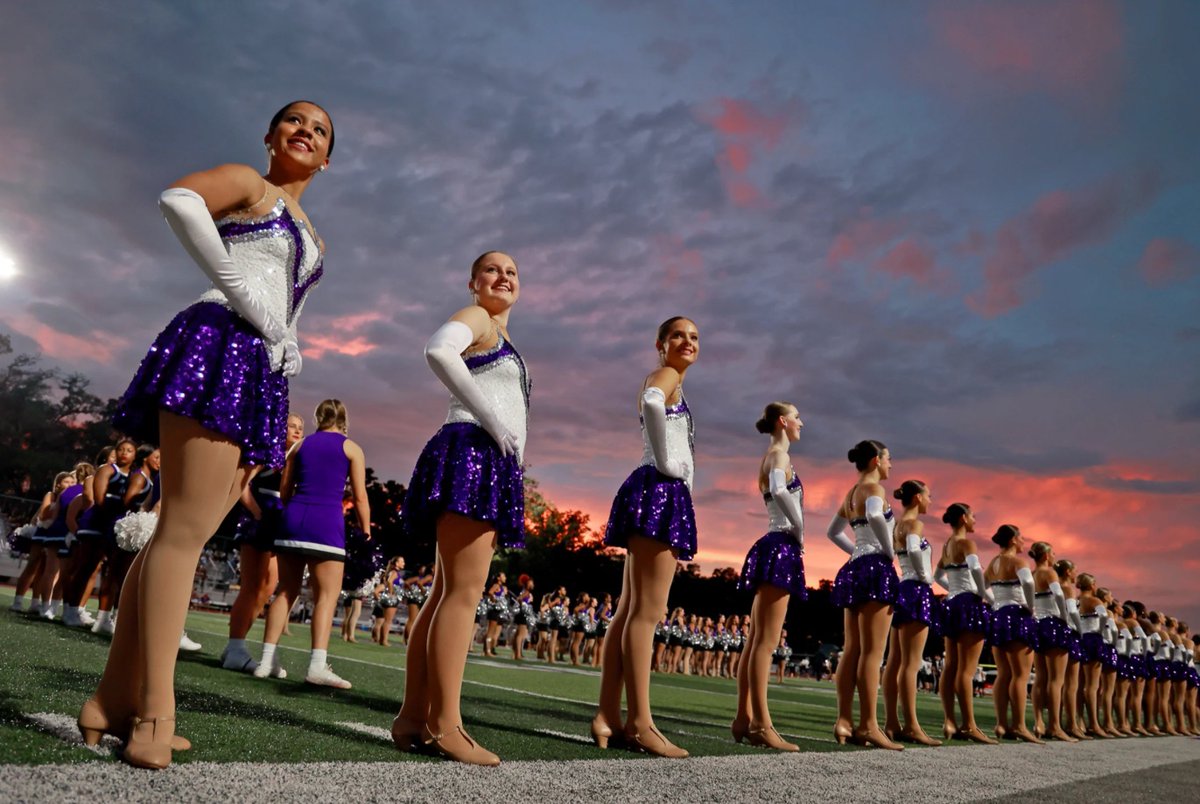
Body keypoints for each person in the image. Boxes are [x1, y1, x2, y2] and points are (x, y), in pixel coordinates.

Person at [77, 100, 335, 770]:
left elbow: (285, 303)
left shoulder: (314, 231)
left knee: (179, 533)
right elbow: (180, 200)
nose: (306, 131)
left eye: (320, 129)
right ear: (271, 136)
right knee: (182, 535)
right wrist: (243, 294)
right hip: (220, 339)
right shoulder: (250, 183)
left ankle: (111, 699)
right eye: (294, 121)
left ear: (327, 158)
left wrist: (288, 339)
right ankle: (154, 710)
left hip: (260, 366)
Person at [393, 251, 531, 766]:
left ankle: (413, 717)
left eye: (512, 272)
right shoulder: (477, 318)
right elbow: (438, 350)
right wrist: (492, 420)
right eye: (492, 269)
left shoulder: (501, 335)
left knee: (445, 593)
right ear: (473, 282)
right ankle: (444, 724)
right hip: (474, 450)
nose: (503, 276)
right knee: (463, 594)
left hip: (482, 455)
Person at [594, 316, 699, 759]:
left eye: (694, 337)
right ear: (660, 343)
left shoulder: (670, 378)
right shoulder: (666, 375)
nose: (687, 342)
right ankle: (640, 723)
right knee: (647, 613)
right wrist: (668, 461)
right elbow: (653, 402)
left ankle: (607, 715)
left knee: (628, 610)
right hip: (659, 490)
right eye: (678, 335)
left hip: (651, 488)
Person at [254, 399, 370, 688]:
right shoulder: (352, 448)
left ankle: (266, 661)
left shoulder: (299, 446)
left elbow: (284, 490)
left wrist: (292, 511)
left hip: (293, 518)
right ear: (344, 419)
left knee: (285, 591)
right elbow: (359, 497)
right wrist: (366, 530)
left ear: (319, 418)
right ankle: (317, 666)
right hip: (326, 522)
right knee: (326, 597)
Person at [732, 401, 806, 752]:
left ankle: (744, 717)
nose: (801, 422)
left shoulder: (772, 455)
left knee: (756, 639)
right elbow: (778, 489)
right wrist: (799, 527)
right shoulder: (779, 456)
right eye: (796, 417)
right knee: (766, 641)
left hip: (772, 543)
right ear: (782, 421)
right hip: (780, 545)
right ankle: (761, 723)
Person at [827, 440, 901, 750]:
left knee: (852, 649)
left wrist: (857, 550)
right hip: (875, 568)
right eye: (888, 458)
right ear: (875, 460)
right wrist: (888, 551)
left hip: (855, 567)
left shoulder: (850, 493)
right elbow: (874, 515)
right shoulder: (874, 489)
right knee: (873, 652)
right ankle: (869, 725)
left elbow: (833, 532)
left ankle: (844, 720)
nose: (890, 464)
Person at [220, 413, 304, 672]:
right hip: (258, 520)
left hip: (279, 523)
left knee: (268, 587)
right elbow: (241, 483)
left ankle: (236, 645)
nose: (297, 431)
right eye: (291, 426)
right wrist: (256, 513)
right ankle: (235, 646)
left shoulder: (298, 458)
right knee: (252, 585)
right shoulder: (268, 451)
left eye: (300, 428)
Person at [881, 479, 941, 746]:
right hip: (916, 588)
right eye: (928, 495)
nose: (930, 500)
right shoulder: (914, 524)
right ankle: (912, 726)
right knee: (911, 663)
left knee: (895, 660)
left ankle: (892, 722)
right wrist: (927, 577)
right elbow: (915, 550)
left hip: (902, 588)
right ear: (917, 497)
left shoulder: (897, 524)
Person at [933, 502, 994, 743]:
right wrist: (982, 595)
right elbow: (976, 570)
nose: (975, 520)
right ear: (963, 518)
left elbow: (937, 575)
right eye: (972, 516)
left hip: (952, 602)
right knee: (967, 670)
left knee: (951, 666)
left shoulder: (947, 545)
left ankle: (949, 721)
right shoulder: (967, 543)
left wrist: (954, 590)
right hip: (968, 603)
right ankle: (969, 725)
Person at [984, 524, 1041, 743]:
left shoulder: (994, 563)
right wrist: (1030, 606)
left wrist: (995, 602)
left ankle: (1001, 724)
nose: (1024, 541)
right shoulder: (1019, 562)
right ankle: (1019, 725)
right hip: (1017, 615)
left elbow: (981, 586)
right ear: (1013, 540)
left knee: (1003, 673)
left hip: (998, 615)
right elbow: (1028, 581)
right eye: (1021, 537)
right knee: (1020, 675)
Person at [1028, 542, 1075, 741]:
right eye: (1053, 553)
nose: (1055, 556)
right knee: (1056, 680)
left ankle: (1038, 722)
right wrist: (1065, 620)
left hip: (1037, 624)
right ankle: (1055, 726)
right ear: (1046, 555)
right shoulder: (1050, 573)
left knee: (1040, 678)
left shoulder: (1031, 574)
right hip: (1053, 624)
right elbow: (1058, 596)